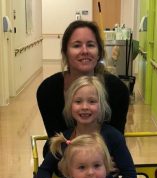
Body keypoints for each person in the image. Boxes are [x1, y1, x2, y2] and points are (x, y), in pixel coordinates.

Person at [37, 20, 129, 156]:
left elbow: (116, 140)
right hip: (62, 158)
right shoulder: (48, 90)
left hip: (103, 160)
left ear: (99, 52)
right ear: (65, 52)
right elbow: (56, 139)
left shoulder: (117, 90)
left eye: (91, 45)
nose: (84, 51)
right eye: (76, 45)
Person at [36, 75, 136, 178]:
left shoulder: (113, 137)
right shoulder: (64, 139)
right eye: (78, 101)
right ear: (70, 106)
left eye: (92, 101)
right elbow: (43, 170)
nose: (84, 107)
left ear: (101, 105)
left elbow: (130, 175)